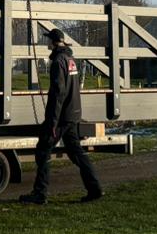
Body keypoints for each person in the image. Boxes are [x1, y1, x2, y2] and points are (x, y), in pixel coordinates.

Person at [20, 27, 103, 205]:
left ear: (53, 42)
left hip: (61, 117)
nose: (47, 43)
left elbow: (58, 93)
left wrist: (52, 121)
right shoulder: (70, 59)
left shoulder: (58, 61)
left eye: (48, 40)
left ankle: (40, 193)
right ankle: (94, 189)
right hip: (73, 114)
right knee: (77, 153)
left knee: (43, 150)